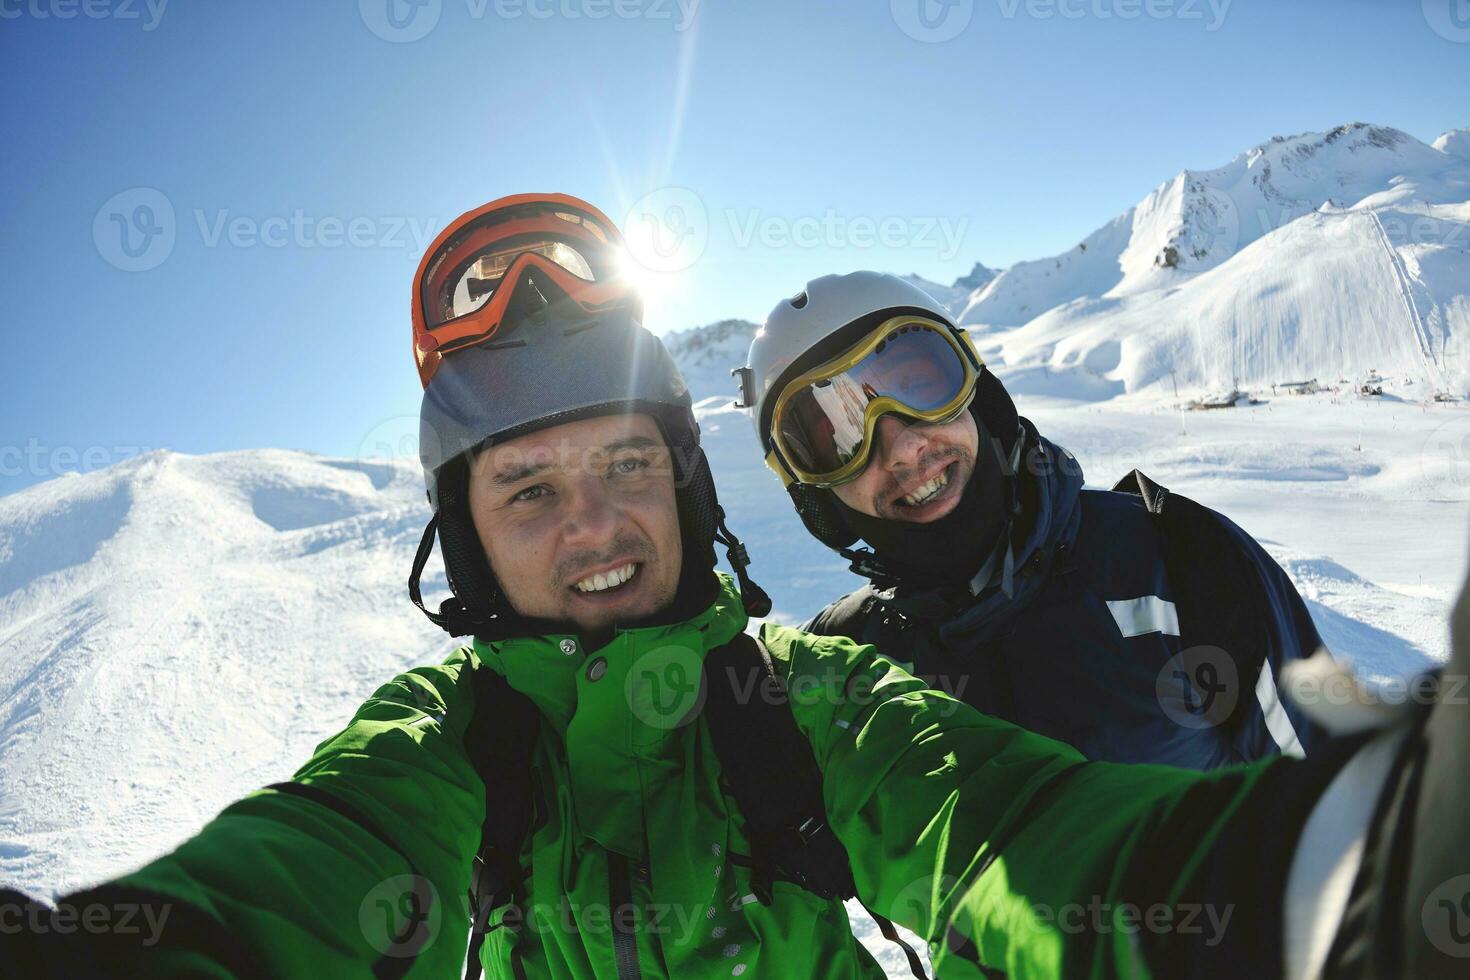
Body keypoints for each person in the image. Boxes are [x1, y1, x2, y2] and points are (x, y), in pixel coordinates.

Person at [2, 195, 1464, 980]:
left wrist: (1329, 873)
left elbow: (1008, 830)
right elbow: (312, 862)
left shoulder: (811, 697)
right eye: (526, 489)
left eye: (629, 467)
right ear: (463, 540)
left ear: (691, 497)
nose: (593, 529)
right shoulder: (448, 743)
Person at [735, 272, 1323, 769]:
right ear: (816, 497)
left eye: (918, 386)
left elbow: (1336, 801)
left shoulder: (1180, 564)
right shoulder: (841, 661)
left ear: (978, 395)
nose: (902, 448)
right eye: (837, 437)